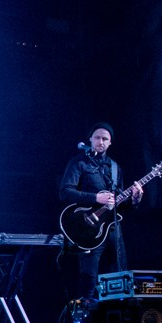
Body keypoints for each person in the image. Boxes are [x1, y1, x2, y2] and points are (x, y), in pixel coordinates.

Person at [58, 122, 128, 298]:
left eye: (105, 139)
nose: (101, 141)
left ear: (110, 143)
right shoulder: (79, 163)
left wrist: (135, 199)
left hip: (112, 230)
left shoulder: (114, 168)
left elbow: (119, 202)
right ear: (90, 139)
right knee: (88, 280)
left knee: (119, 278)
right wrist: (95, 198)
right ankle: (84, 321)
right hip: (88, 230)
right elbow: (65, 192)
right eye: (97, 137)